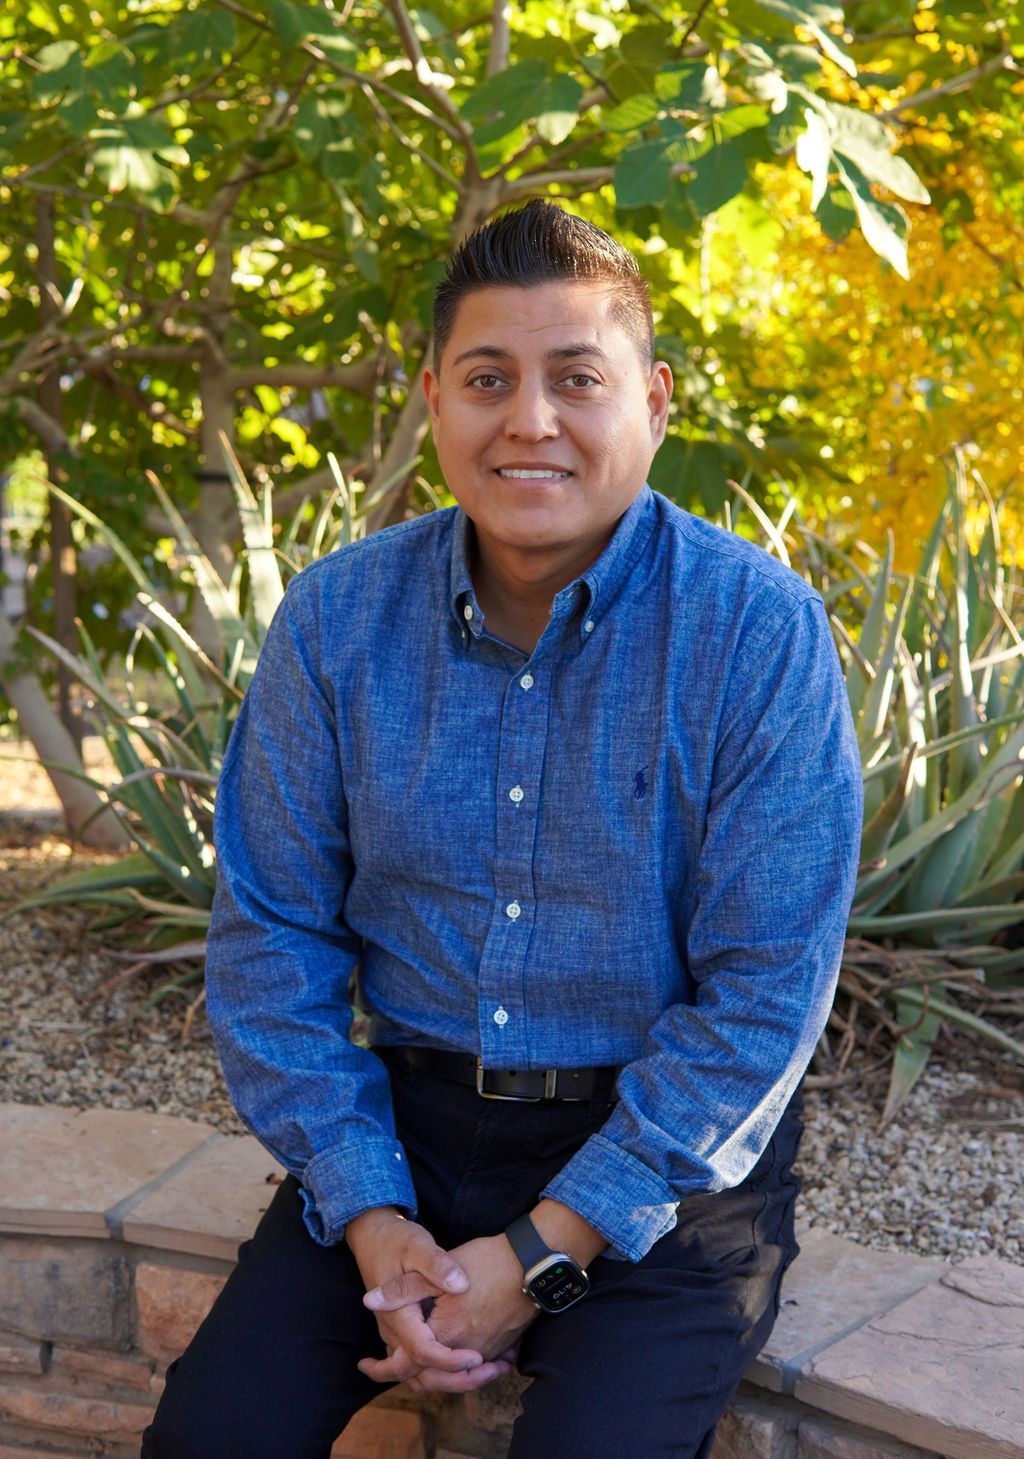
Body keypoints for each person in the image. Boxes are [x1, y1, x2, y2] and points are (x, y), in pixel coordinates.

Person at [143, 200, 862, 1459]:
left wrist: (536, 1256)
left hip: (663, 1183)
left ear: (656, 399)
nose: (529, 420)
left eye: (576, 378)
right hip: (404, 1142)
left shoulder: (757, 636)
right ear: (435, 398)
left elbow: (761, 999)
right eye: (488, 379)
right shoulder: (337, 622)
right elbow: (272, 942)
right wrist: (375, 1218)